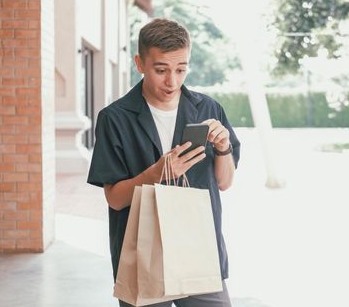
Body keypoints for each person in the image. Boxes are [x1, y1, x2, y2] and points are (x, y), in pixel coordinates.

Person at [87, 18, 240, 307]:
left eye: (181, 69)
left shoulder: (209, 109)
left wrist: (223, 148)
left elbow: (225, 182)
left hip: (199, 249)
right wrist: (157, 173)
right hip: (143, 254)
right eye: (161, 70)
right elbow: (115, 199)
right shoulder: (115, 118)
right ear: (139, 63)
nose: (172, 81)